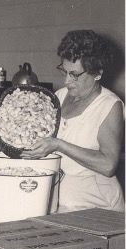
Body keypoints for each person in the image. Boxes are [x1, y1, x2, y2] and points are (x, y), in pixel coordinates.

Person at [22, 30, 124, 212]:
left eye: (75, 75)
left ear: (97, 73)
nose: (67, 81)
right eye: (64, 71)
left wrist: (59, 145)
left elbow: (108, 164)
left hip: (97, 209)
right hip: (56, 204)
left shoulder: (110, 106)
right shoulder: (59, 97)